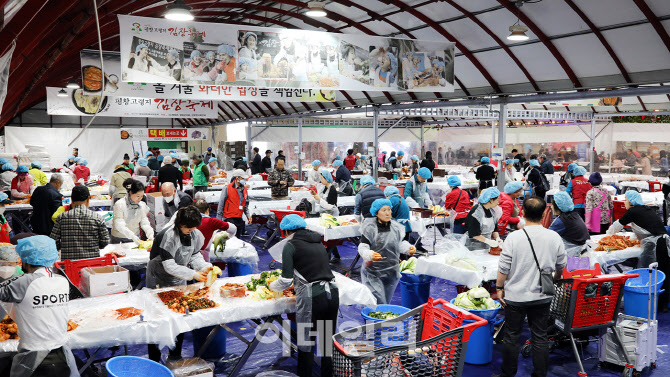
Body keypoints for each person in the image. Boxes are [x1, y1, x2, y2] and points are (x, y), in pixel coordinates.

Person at [495, 196, 566, 377]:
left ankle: (507, 374)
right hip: (543, 295)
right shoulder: (554, 237)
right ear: (544, 214)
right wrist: (554, 279)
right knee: (540, 336)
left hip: (516, 296)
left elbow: (504, 267)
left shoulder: (514, 237)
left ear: (523, 213)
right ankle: (540, 374)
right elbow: (561, 265)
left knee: (512, 336)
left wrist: (499, 287)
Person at [268, 214, 339, 377]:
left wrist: (271, 286)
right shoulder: (317, 241)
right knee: (327, 342)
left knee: (306, 343)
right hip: (332, 294)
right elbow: (313, 269)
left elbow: (285, 279)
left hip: (313, 298)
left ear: (285, 231)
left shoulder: (290, 245)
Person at [0, 236, 79, 376]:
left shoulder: (23, 282)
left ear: (25, 260)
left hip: (35, 360)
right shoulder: (62, 280)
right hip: (61, 355)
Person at [147, 206, 213, 362]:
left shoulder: (195, 234)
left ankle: (175, 355)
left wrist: (203, 267)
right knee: (157, 319)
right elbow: (169, 266)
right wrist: (193, 274)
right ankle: (154, 359)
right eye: (187, 227)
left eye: (193, 227)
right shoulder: (168, 236)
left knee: (180, 316)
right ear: (178, 223)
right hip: (158, 277)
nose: (191, 229)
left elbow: (195, 254)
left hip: (179, 277)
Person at [607, 190, 669, 311]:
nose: (624, 202)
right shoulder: (646, 209)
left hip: (655, 245)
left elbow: (617, 225)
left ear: (630, 201)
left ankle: (650, 303)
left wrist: (608, 234)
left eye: (625, 199)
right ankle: (662, 304)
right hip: (664, 243)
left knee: (650, 273)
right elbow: (645, 227)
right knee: (663, 273)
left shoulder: (633, 211)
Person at [357, 199, 415, 304]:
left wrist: (408, 248)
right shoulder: (370, 228)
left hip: (391, 271)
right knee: (379, 302)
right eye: (383, 210)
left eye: (389, 209)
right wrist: (369, 254)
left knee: (386, 301)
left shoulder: (396, 227)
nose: (388, 213)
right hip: (373, 271)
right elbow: (363, 246)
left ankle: (380, 318)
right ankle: (377, 319)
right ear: (376, 212)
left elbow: (400, 243)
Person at [50, 185, 109, 260]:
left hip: (69, 266)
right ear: (88, 199)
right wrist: (95, 246)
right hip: (92, 264)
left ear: (71, 200)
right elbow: (105, 241)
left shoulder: (62, 217)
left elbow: (53, 241)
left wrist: (64, 246)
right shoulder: (97, 218)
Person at [111, 179, 154, 244]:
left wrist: (150, 233)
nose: (140, 198)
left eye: (142, 196)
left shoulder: (141, 205)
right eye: (138, 196)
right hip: (119, 238)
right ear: (130, 193)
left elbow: (144, 222)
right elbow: (119, 224)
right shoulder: (120, 204)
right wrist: (132, 236)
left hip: (136, 237)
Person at [548, 191, 590, 257]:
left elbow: (548, 237)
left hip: (572, 254)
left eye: (552, 205)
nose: (551, 207)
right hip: (584, 251)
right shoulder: (574, 214)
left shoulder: (561, 221)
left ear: (558, 207)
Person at [313, 170, 341, 262]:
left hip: (332, 215)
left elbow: (330, 206)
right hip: (325, 214)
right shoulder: (325, 188)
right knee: (329, 236)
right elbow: (321, 201)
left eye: (322, 178)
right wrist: (315, 196)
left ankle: (327, 257)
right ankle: (336, 255)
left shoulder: (332, 190)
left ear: (327, 178)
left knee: (330, 236)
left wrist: (319, 199)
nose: (320, 179)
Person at [216, 169, 249, 238]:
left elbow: (245, 204)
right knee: (228, 240)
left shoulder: (245, 190)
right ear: (237, 178)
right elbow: (221, 204)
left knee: (238, 239)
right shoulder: (227, 188)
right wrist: (218, 220)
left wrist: (248, 215)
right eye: (243, 178)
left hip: (239, 218)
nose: (245, 180)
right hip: (229, 218)